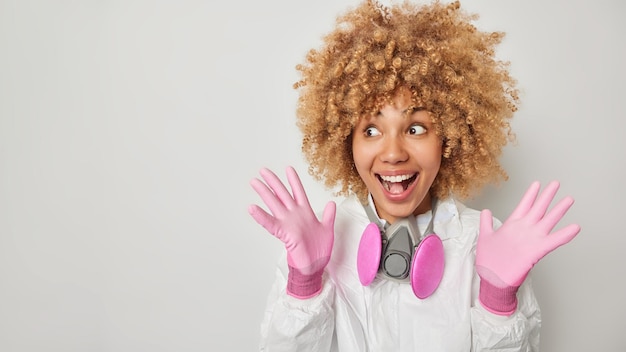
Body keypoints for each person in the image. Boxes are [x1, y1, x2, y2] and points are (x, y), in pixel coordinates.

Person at [248, 0, 581, 350]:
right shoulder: (315, 242)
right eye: (372, 131)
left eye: (417, 128)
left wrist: (498, 299)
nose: (393, 153)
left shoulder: (483, 244)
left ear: (449, 138)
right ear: (346, 141)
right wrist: (304, 283)